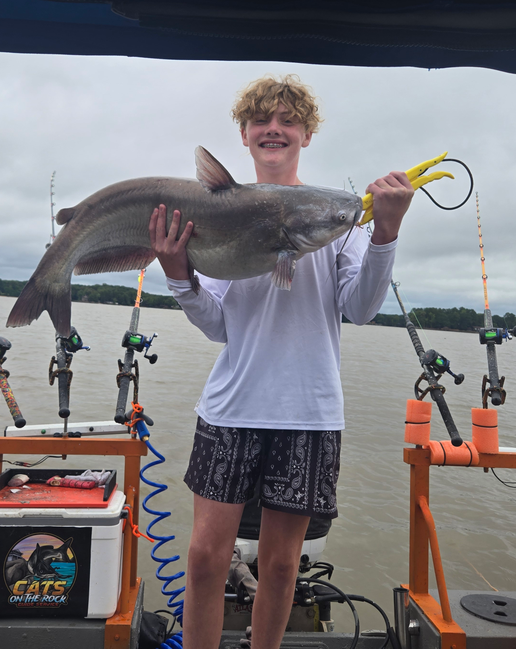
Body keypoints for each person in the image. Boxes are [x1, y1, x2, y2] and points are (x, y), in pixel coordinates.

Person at [148, 75, 413, 649]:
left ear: (307, 134)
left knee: (283, 566)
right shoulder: (217, 213)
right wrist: (177, 274)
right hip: (232, 406)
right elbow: (218, 323)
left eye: (288, 120)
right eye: (262, 121)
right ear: (244, 136)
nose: (275, 128)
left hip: (309, 414)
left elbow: (361, 308)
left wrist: (386, 231)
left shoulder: (338, 216)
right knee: (202, 558)